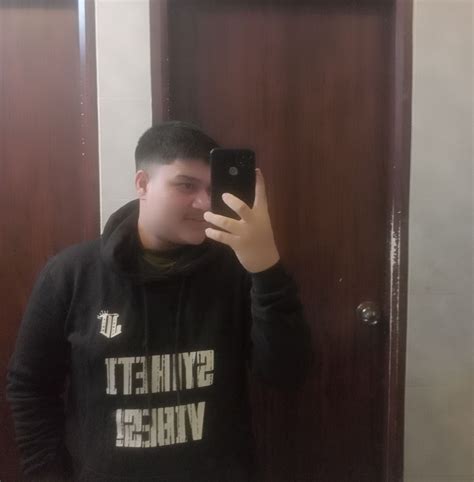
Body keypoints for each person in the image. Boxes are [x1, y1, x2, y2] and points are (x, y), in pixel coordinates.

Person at [6, 121, 313, 482]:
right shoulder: (71, 274)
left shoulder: (237, 270)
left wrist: (266, 269)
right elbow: (30, 387)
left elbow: (286, 374)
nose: (203, 203)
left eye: (212, 189)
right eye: (186, 185)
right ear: (142, 184)